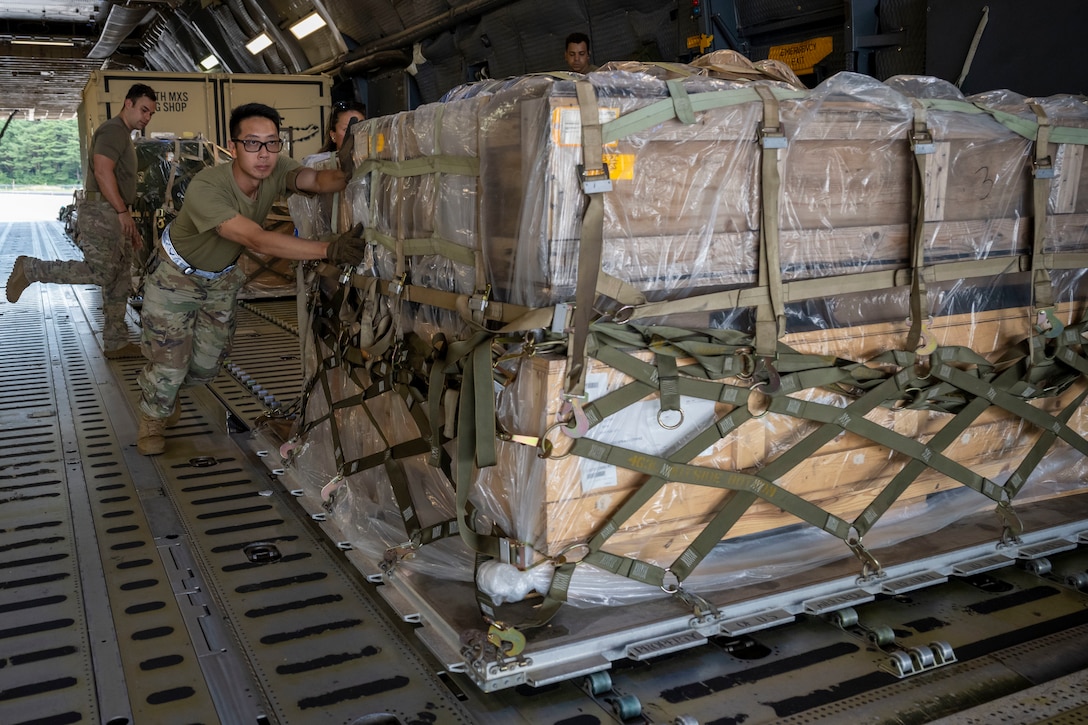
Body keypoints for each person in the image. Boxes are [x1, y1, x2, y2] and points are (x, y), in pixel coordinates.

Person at [134, 102, 367, 456]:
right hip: (175, 278)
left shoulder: (276, 168)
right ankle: (153, 415)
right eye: (253, 143)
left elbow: (318, 180)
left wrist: (354, 166)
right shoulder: (207, 186)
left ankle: (170, 387)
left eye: (272, 143)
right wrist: (329, 250)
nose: (264, 154)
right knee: (171, 362)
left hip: (221, 278)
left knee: (206, 365)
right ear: (233, 147)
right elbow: (256, 239)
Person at [6, 83, 157, 358]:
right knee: (101, 272)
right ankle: (31, 269)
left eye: (151, 114)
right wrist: (122, 213)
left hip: (114, 211)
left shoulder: (123, 134)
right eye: (144, 110)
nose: (146, 118)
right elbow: (102, 171)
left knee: (120, 276)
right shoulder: (113, 131)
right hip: (103, 212)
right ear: (128, 104)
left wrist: (128, 220)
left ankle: (115, 341)